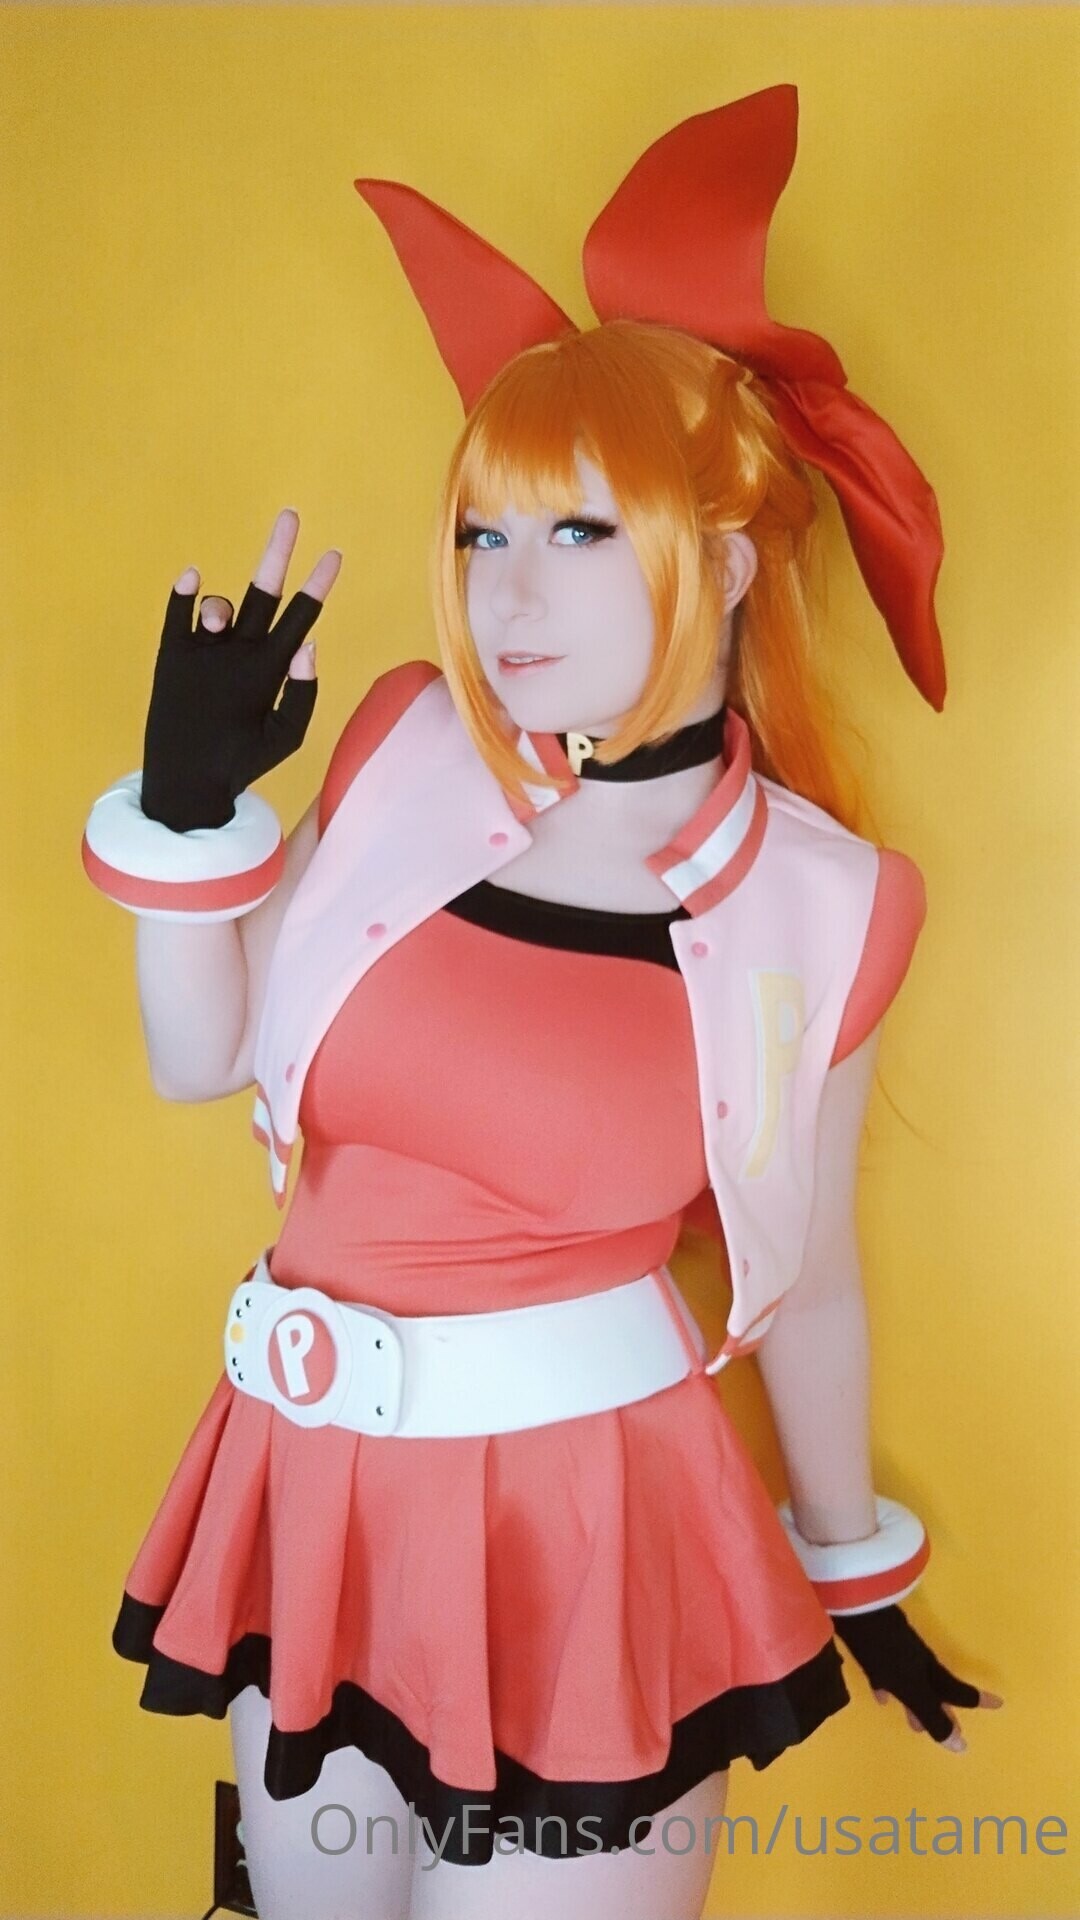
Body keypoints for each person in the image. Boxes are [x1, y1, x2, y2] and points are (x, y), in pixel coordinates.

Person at [83, 88, 1001, 1920]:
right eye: (483, 533)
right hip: (310, 1498)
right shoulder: (408, 743)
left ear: (721, 562)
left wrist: (854, 1568)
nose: (507, 596)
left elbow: (804, 1270)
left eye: (577, 533)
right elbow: (205, 1059)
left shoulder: (825, 902)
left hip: (584, 1531)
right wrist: (187, 818)